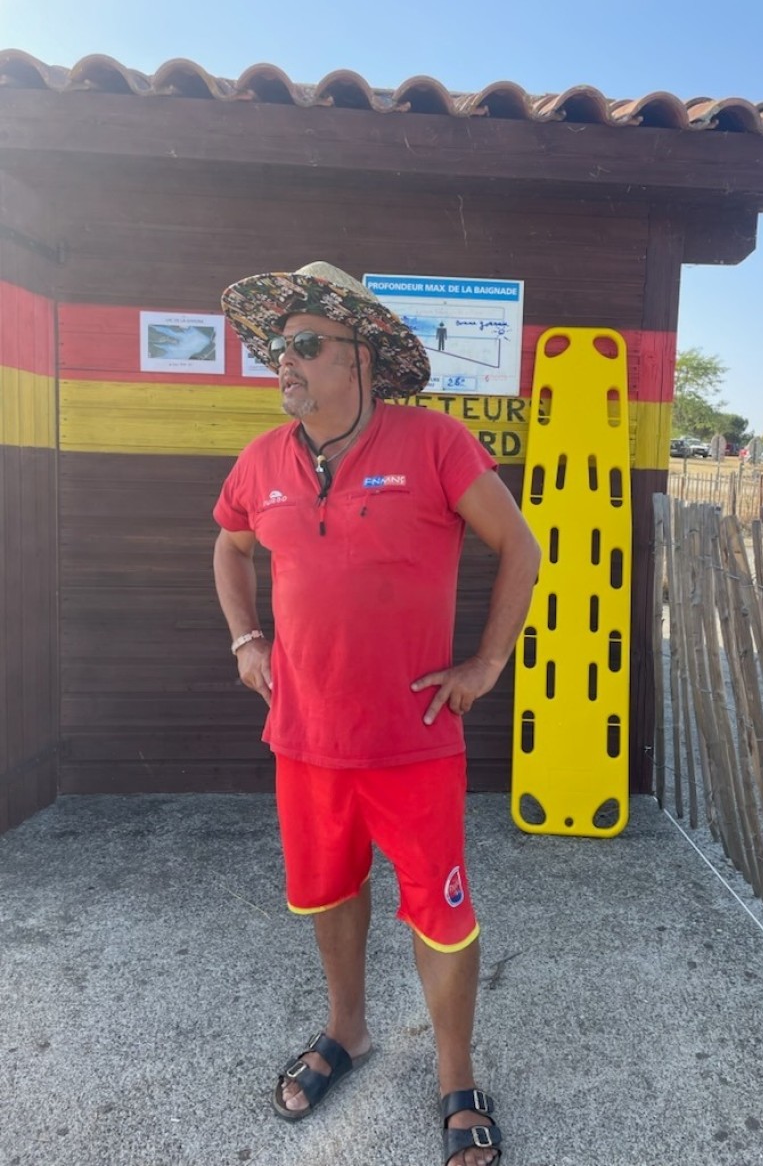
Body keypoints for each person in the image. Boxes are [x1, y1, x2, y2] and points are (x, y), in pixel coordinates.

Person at [213, 262, 540, 1166]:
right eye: (278, 346)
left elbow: (519, 545)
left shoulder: (435, 443)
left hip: (413, 743)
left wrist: (486, 662)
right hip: (304, 741)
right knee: (328, 891)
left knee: (442, 913)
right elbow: (229, 546)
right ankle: (348, 1030)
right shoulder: (261, 460)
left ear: (360, 355)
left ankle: (455, 1076)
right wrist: (246, 640)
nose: (285, 360)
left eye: (305, 344)